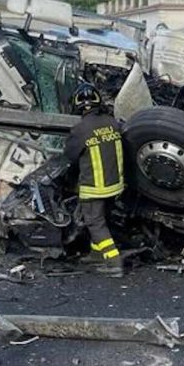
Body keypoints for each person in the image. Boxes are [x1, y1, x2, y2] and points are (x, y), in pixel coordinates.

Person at [63, 82, 125, 278]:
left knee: (95, 222)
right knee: (102, 218)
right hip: (115, 183)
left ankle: (114, 261)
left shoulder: (80, 129)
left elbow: (70, 156)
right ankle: (97, 254)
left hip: (94, 187)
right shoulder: (112, 123)